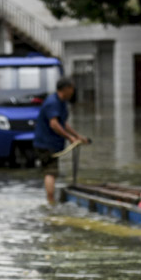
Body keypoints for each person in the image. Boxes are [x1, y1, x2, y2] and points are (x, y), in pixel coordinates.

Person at [32, 77, 89, 205]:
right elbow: (54, 124)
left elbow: (63, 123)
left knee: (52, 172)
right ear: (66, 89)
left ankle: (51, 199)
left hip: (52, 143)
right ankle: (51, 201)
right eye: (72, 89)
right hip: (45, 144)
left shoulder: (61, 102)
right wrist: (69, 138)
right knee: (50, 172)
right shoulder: (53, 102)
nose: (73, 92)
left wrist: (77, 136)